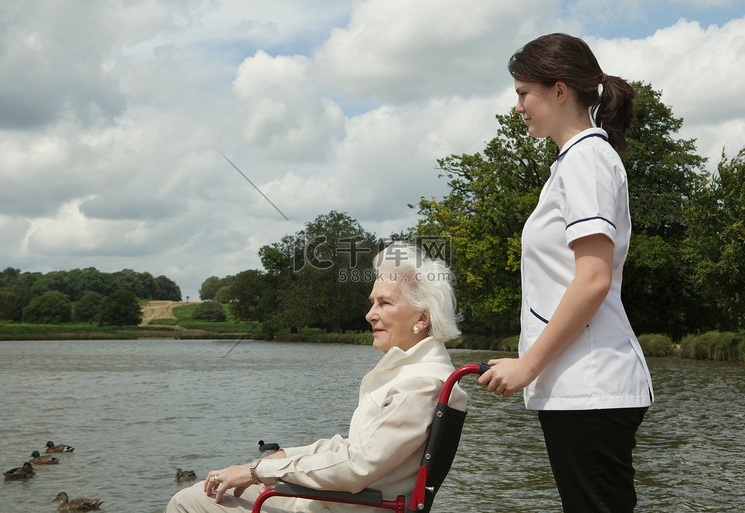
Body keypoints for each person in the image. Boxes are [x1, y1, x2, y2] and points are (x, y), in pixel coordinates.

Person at [478, 33, 654, 512]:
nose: (517, 106)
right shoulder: (572, 163)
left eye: (522, 93)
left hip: (592, 387)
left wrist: (528, 365)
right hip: (579, 388)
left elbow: (593, 279)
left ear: (559, 90)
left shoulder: (588, 160)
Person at [165, 243, 467, 513]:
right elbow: (352, 449)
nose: (369, 314)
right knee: (201, 491)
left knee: (187, 502)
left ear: (422, 318)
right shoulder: (420, 372)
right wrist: (275, 461)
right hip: (333, 501)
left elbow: (357, 466)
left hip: (344, 507)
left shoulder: (420, 383)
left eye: (384, 303)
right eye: (373, 302)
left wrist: (259, 470)